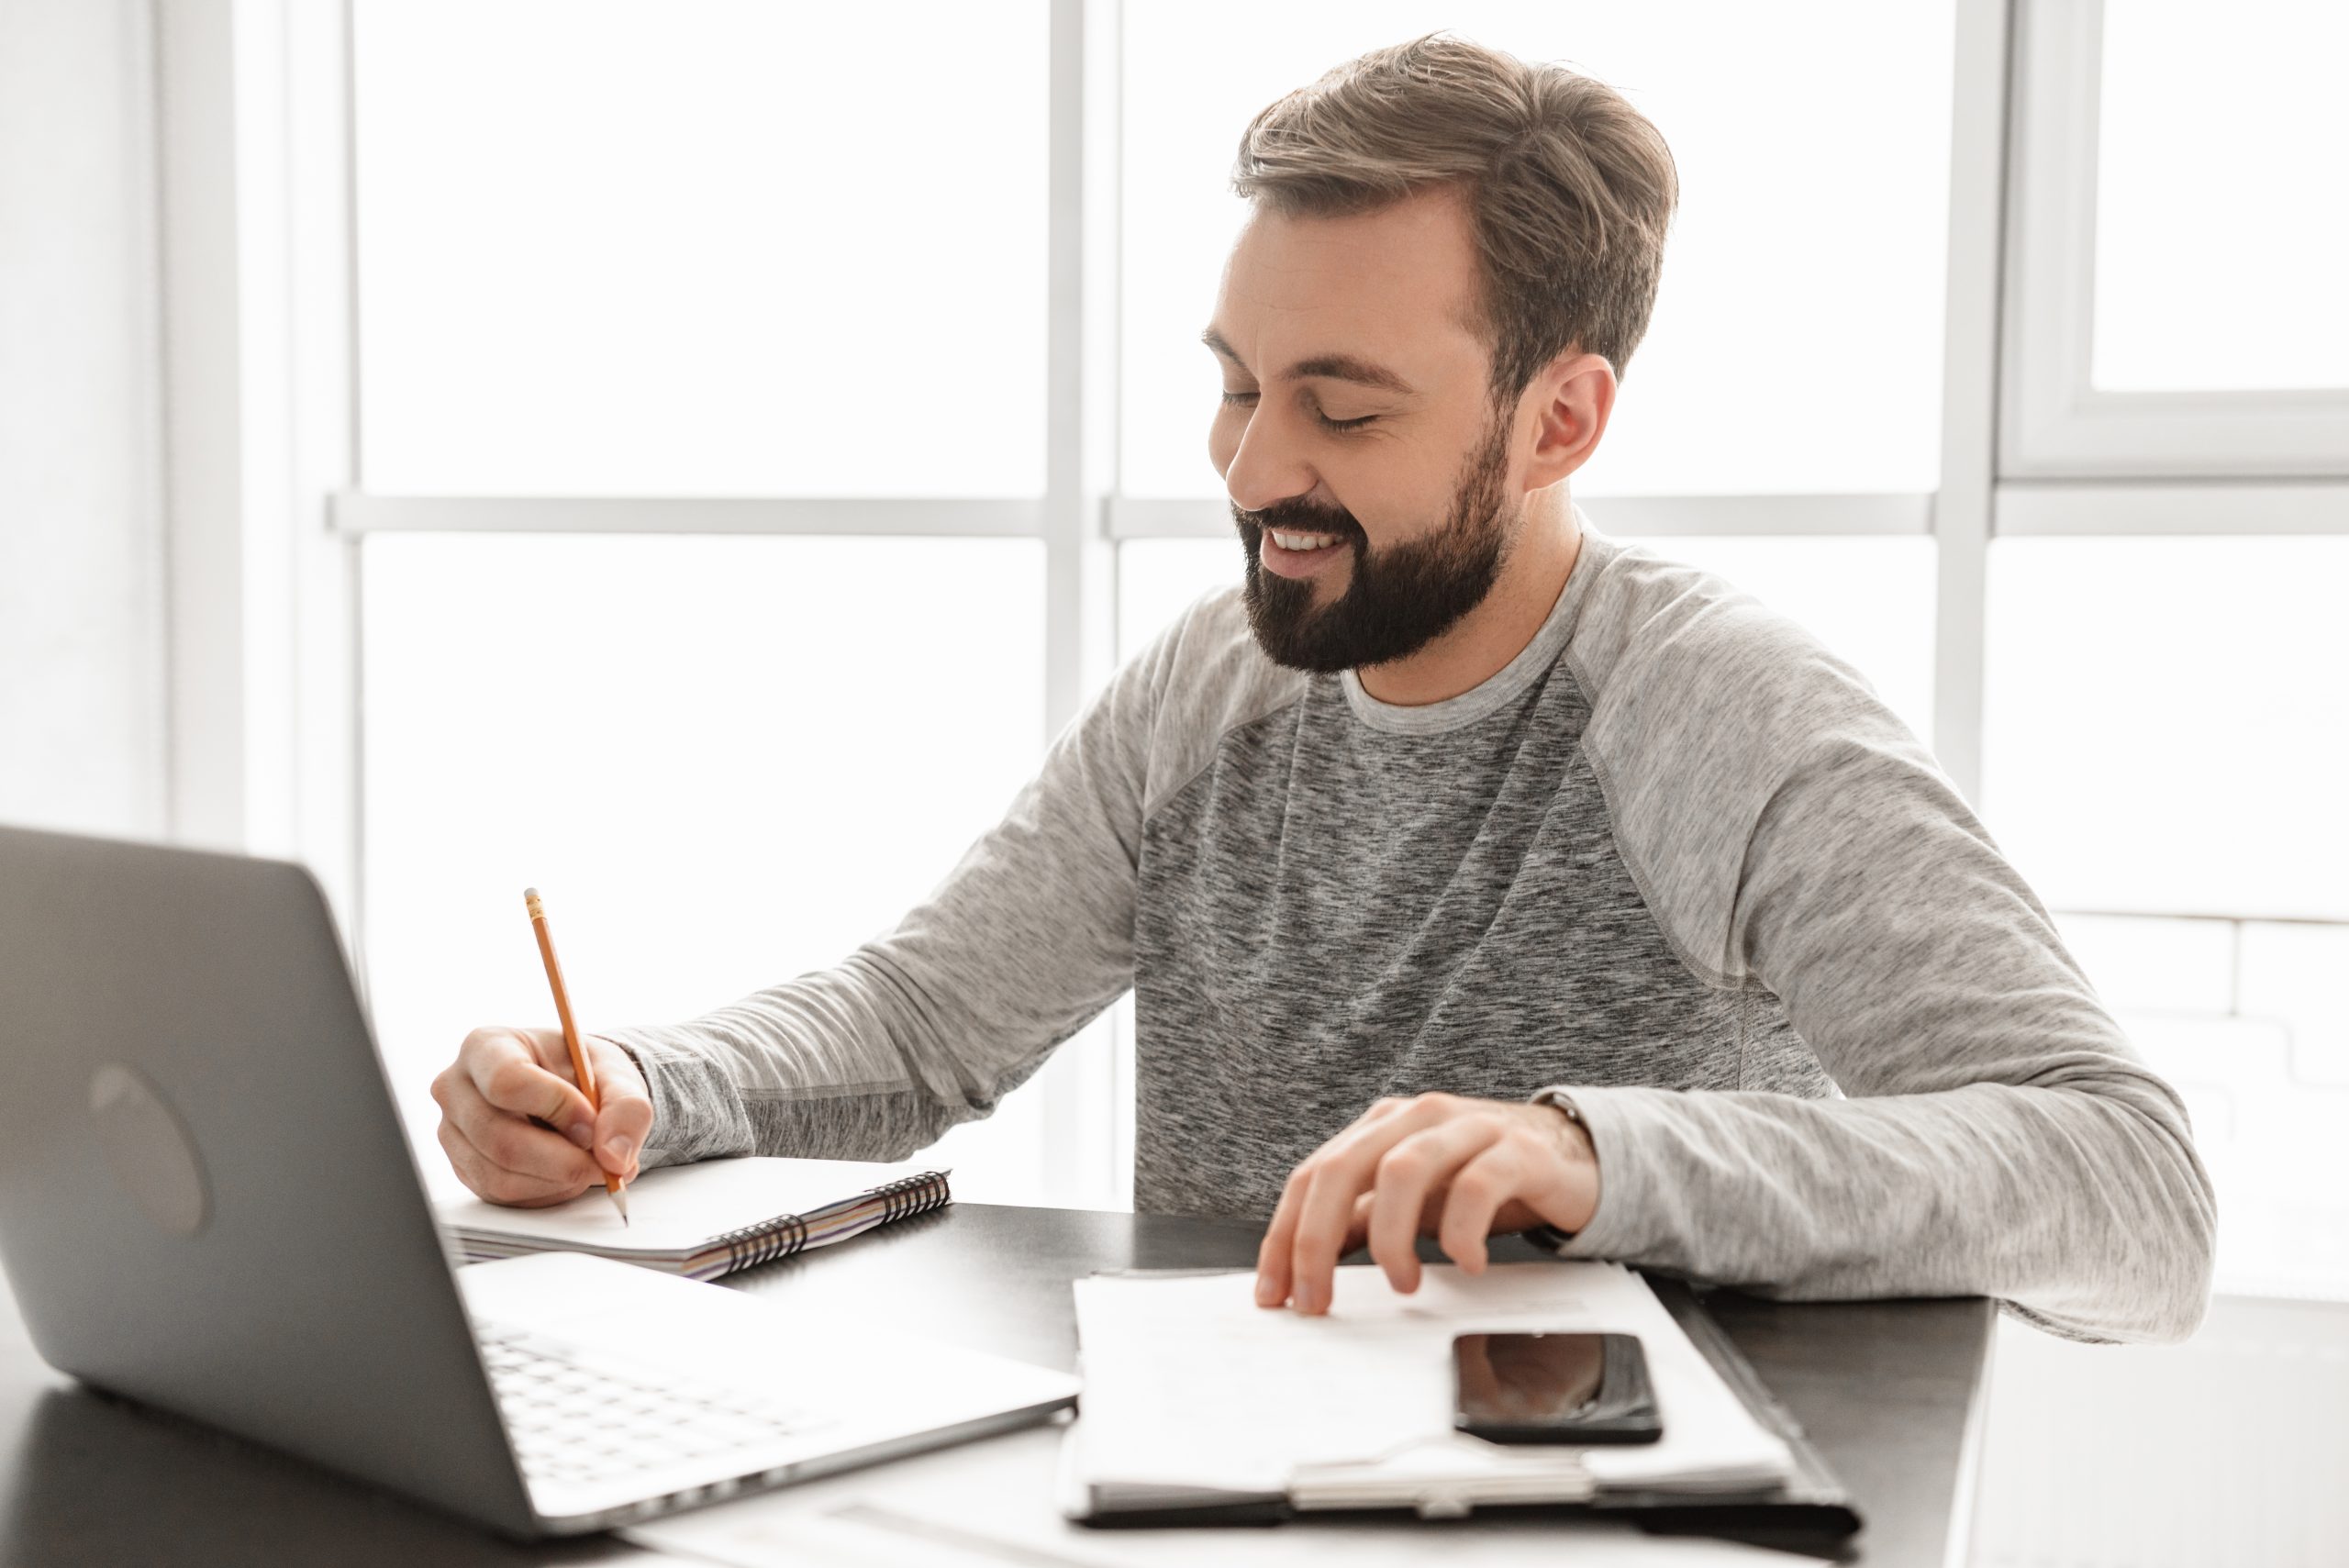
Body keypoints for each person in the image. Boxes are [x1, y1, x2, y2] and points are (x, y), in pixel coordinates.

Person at [431, 32, 2214, 1344]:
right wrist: (640, 1089)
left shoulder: (1712, 715)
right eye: (1234, 384)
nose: (1249, 467)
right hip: (1205, 1490)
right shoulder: (1210, 691)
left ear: (1559, 417)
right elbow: (918, 1029)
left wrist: (1595, 1157)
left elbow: (2130, 1195)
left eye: (1342, 409)